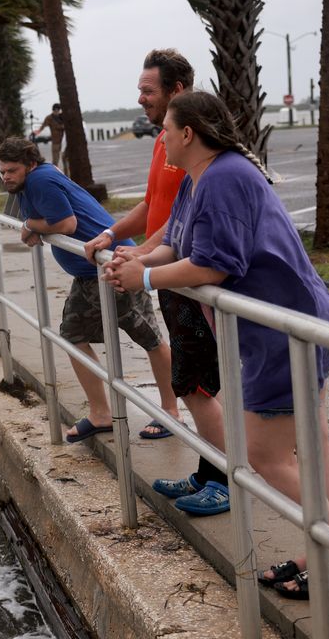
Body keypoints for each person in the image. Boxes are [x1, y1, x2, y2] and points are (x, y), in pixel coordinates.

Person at [105, 91, 329, 601]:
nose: (159, 136)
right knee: (312, 445)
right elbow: (178, 241)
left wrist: (147, 277)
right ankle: (324, 553)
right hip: (288, 326)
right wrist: (136, 257)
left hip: (284, 330)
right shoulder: (201, 177)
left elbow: (216, 264)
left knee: (262, 455)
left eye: (167, 129)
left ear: (188, 134)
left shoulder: (225, 176)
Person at [83, 49, 230, 516]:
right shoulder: (163, 143)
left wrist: (145, 267)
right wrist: (119, 239)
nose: (140, 97)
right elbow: (158, 211)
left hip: (189, 277)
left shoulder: (197, 151)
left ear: (177, 93)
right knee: (195, 381)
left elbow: (198, 227)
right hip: (170, 272)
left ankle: (224, 480)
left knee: (199, 384)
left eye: (149, 90)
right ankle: (209, 473)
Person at [0, 136, 177, 444]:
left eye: (12, 170)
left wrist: (33, 226)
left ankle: (170, 411)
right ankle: (101, 414)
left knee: (149, 337)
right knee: (73, 334)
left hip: (112, 266)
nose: (6, 177)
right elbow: (47, 221)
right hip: (89, 272)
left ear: (30, 165)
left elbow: (66, 223)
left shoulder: (40, 180)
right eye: (2, 171)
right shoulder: (30, 182)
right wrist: (34, 227)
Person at [32, 104, 65, 171]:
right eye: (55, 110)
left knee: (65, 158)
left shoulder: (63, 117)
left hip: (64, 141)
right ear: (53, 110)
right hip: (55, 141)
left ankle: (67, 175)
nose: (56, 112)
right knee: (55, 159)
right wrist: (37, 132)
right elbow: (43, 126)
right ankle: (55, 172)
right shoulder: (49, 118)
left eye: (58, 110)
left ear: (59, 110)